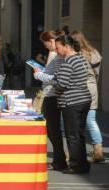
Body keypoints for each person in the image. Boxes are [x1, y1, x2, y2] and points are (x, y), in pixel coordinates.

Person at [51, 35, 91, 174]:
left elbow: (61, 84)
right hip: (84, 99)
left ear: (66, 46)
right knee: (79, 134)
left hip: (72, 101)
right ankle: (83, 164)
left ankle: (75, 165)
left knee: (72, 135)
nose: (56, 51)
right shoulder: (81, 59)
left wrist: (52, 81)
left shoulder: (68, 61)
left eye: (58, 47)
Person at [33, 30, 67, 171]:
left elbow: (53, 77)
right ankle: (60, 159)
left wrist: (38, 74)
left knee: (53, 129)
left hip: (52, 94)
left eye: (45, 43)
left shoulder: (57, 55)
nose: (45, 46)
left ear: (52, 41)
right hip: (50, 94)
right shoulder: (56, 55)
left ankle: (60, 160)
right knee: (52, 129)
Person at [70, 30, 105, 163]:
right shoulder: (93, 52)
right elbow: (96, 73)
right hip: (92, 87)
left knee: (76, 121)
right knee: (91, 120)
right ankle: (98, 150)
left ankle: (75, 151)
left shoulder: (75, 54)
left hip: (78, 88)